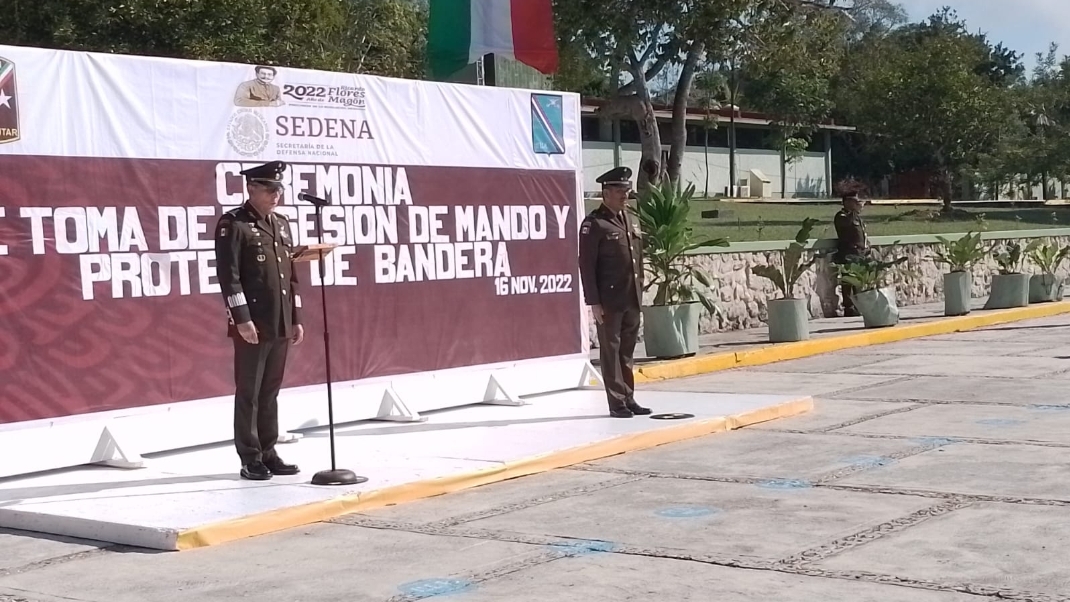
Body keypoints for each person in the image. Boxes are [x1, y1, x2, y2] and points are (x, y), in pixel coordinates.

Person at [214, 160, 304, 480]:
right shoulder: (233, 224)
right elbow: (230, 277)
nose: (276, 194)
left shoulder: (280, 223)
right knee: (249, 391)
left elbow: (289, 275)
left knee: (270, 390)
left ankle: (269, 450)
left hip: (280, 319)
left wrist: (296, 317)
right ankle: (250, 455)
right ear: (251, 189)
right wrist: (241, 319)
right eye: (269, 189)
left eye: (279, 189)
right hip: (253, 321)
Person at [579, 166, 651, 418]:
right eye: (620, 190)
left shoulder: (631, 219)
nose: (624, 195)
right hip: (609, 300)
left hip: (631, 297)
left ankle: (629, 398)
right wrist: (594, 302)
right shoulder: (594, 223)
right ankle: (617, 403)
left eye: (627, 190)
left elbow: (637, 259)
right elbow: (586, 265)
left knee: (627, 351)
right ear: (605, 193)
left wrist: (640, 289)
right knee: (610, 351)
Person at [833, 191, 870, 317]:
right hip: (848, 252)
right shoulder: (841, 216)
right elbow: (845, 227)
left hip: (859, 253)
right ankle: (849, 307)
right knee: (848, 282)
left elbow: (861, 233)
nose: (857, 204)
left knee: (858, 281)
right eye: (854, 201)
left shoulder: (856, 216)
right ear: (847, 202)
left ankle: (858, 306)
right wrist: (855, 212)